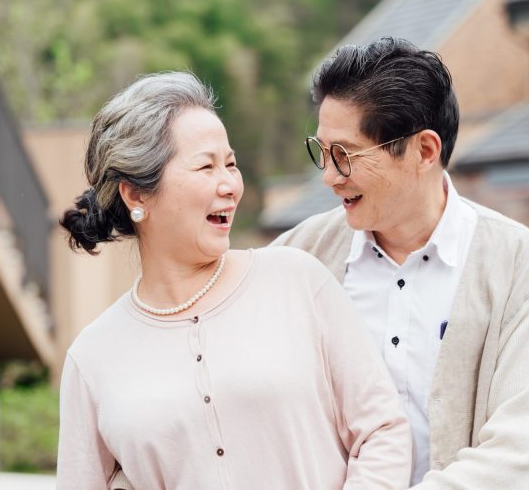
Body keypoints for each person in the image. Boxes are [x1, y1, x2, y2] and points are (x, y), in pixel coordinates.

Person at [56, 71, 411, 490]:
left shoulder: (297, 282)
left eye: (231, 164)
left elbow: (381, 430)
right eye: (206, 166)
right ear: (136, 195)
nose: (229, 186)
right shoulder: (93, 357)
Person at [273, 37, 529, 488]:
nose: (329, 177)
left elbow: (523, 449)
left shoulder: (520, 267)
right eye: (323, 151)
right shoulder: (298, 257)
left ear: (425, 151)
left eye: (345, 155)